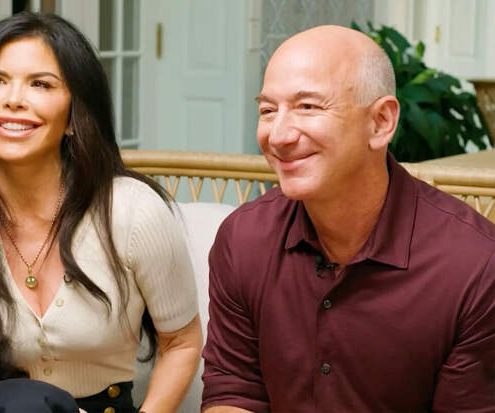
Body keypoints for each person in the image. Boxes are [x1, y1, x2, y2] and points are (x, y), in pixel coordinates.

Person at [0, 12, 202, 413]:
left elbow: (181, 343)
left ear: (74, 116)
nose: (13, 99)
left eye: (40, 84)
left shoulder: (134, 212)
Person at [201, 25, 495, 412]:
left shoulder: (475, 266)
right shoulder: (243, 238)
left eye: (308, 107)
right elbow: (234, 392)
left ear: (381, 122)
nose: (279, 136)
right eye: (268, 111)